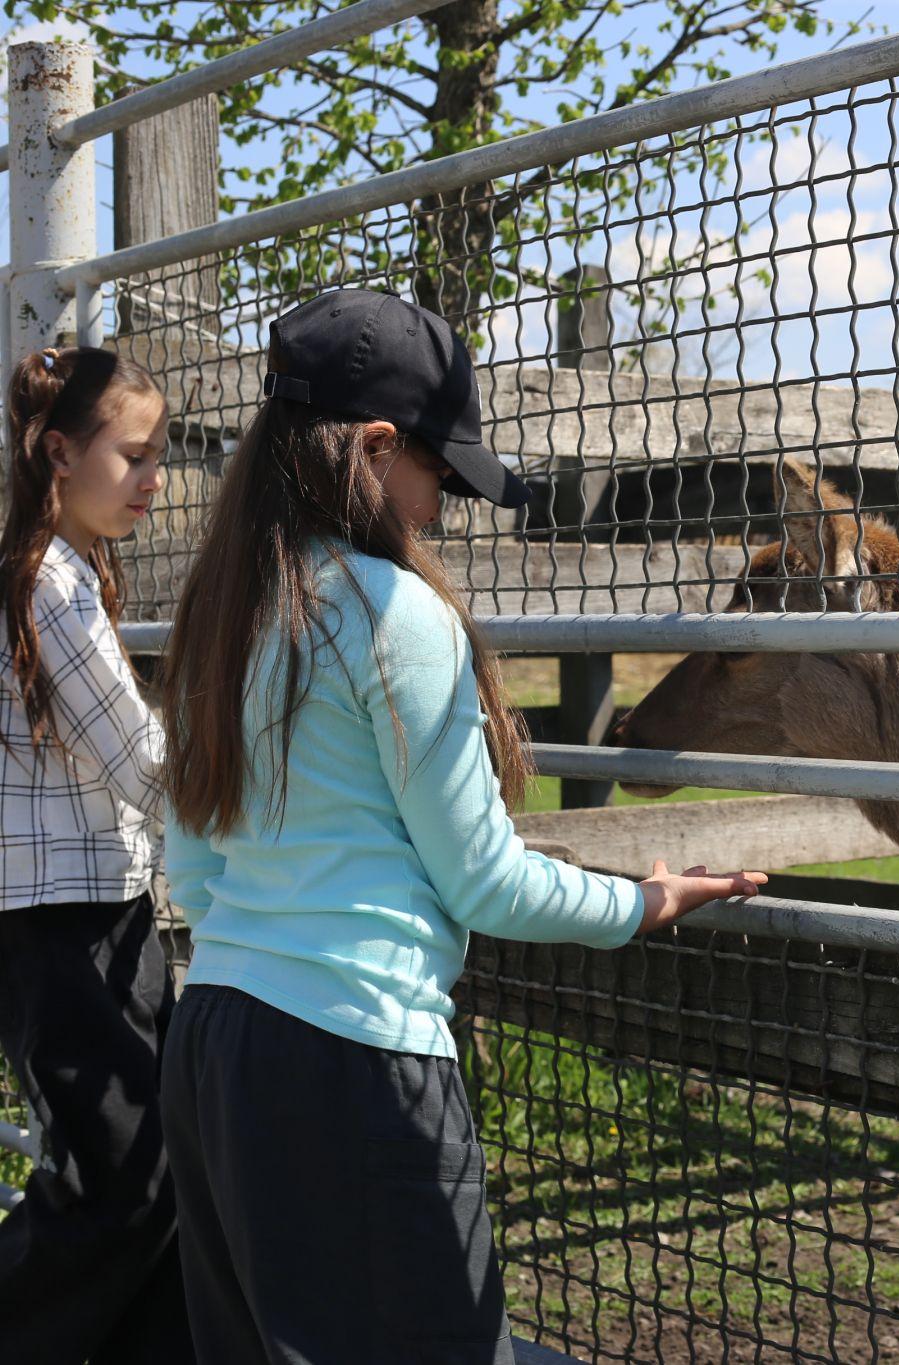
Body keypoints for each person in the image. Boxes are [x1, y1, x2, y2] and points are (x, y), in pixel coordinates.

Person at [156, 289, 766, 1362]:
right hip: (357, 1059)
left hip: (213, 1045)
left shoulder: (230, 607)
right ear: (379, 446)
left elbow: (196, 869)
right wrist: (642, 902)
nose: (442, 506)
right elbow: (484, 883)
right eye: (438, 473)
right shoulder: (395, 617)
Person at [0, 345, 196, 1363]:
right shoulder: (51, 586)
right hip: (62, 925)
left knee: (156, 1174)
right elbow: (141, 761)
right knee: (119, 1182)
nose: (155, 478)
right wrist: (259, 824)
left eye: (160, 455)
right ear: (57, 451)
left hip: (95, 914)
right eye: (135, 456)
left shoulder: (70, 575)